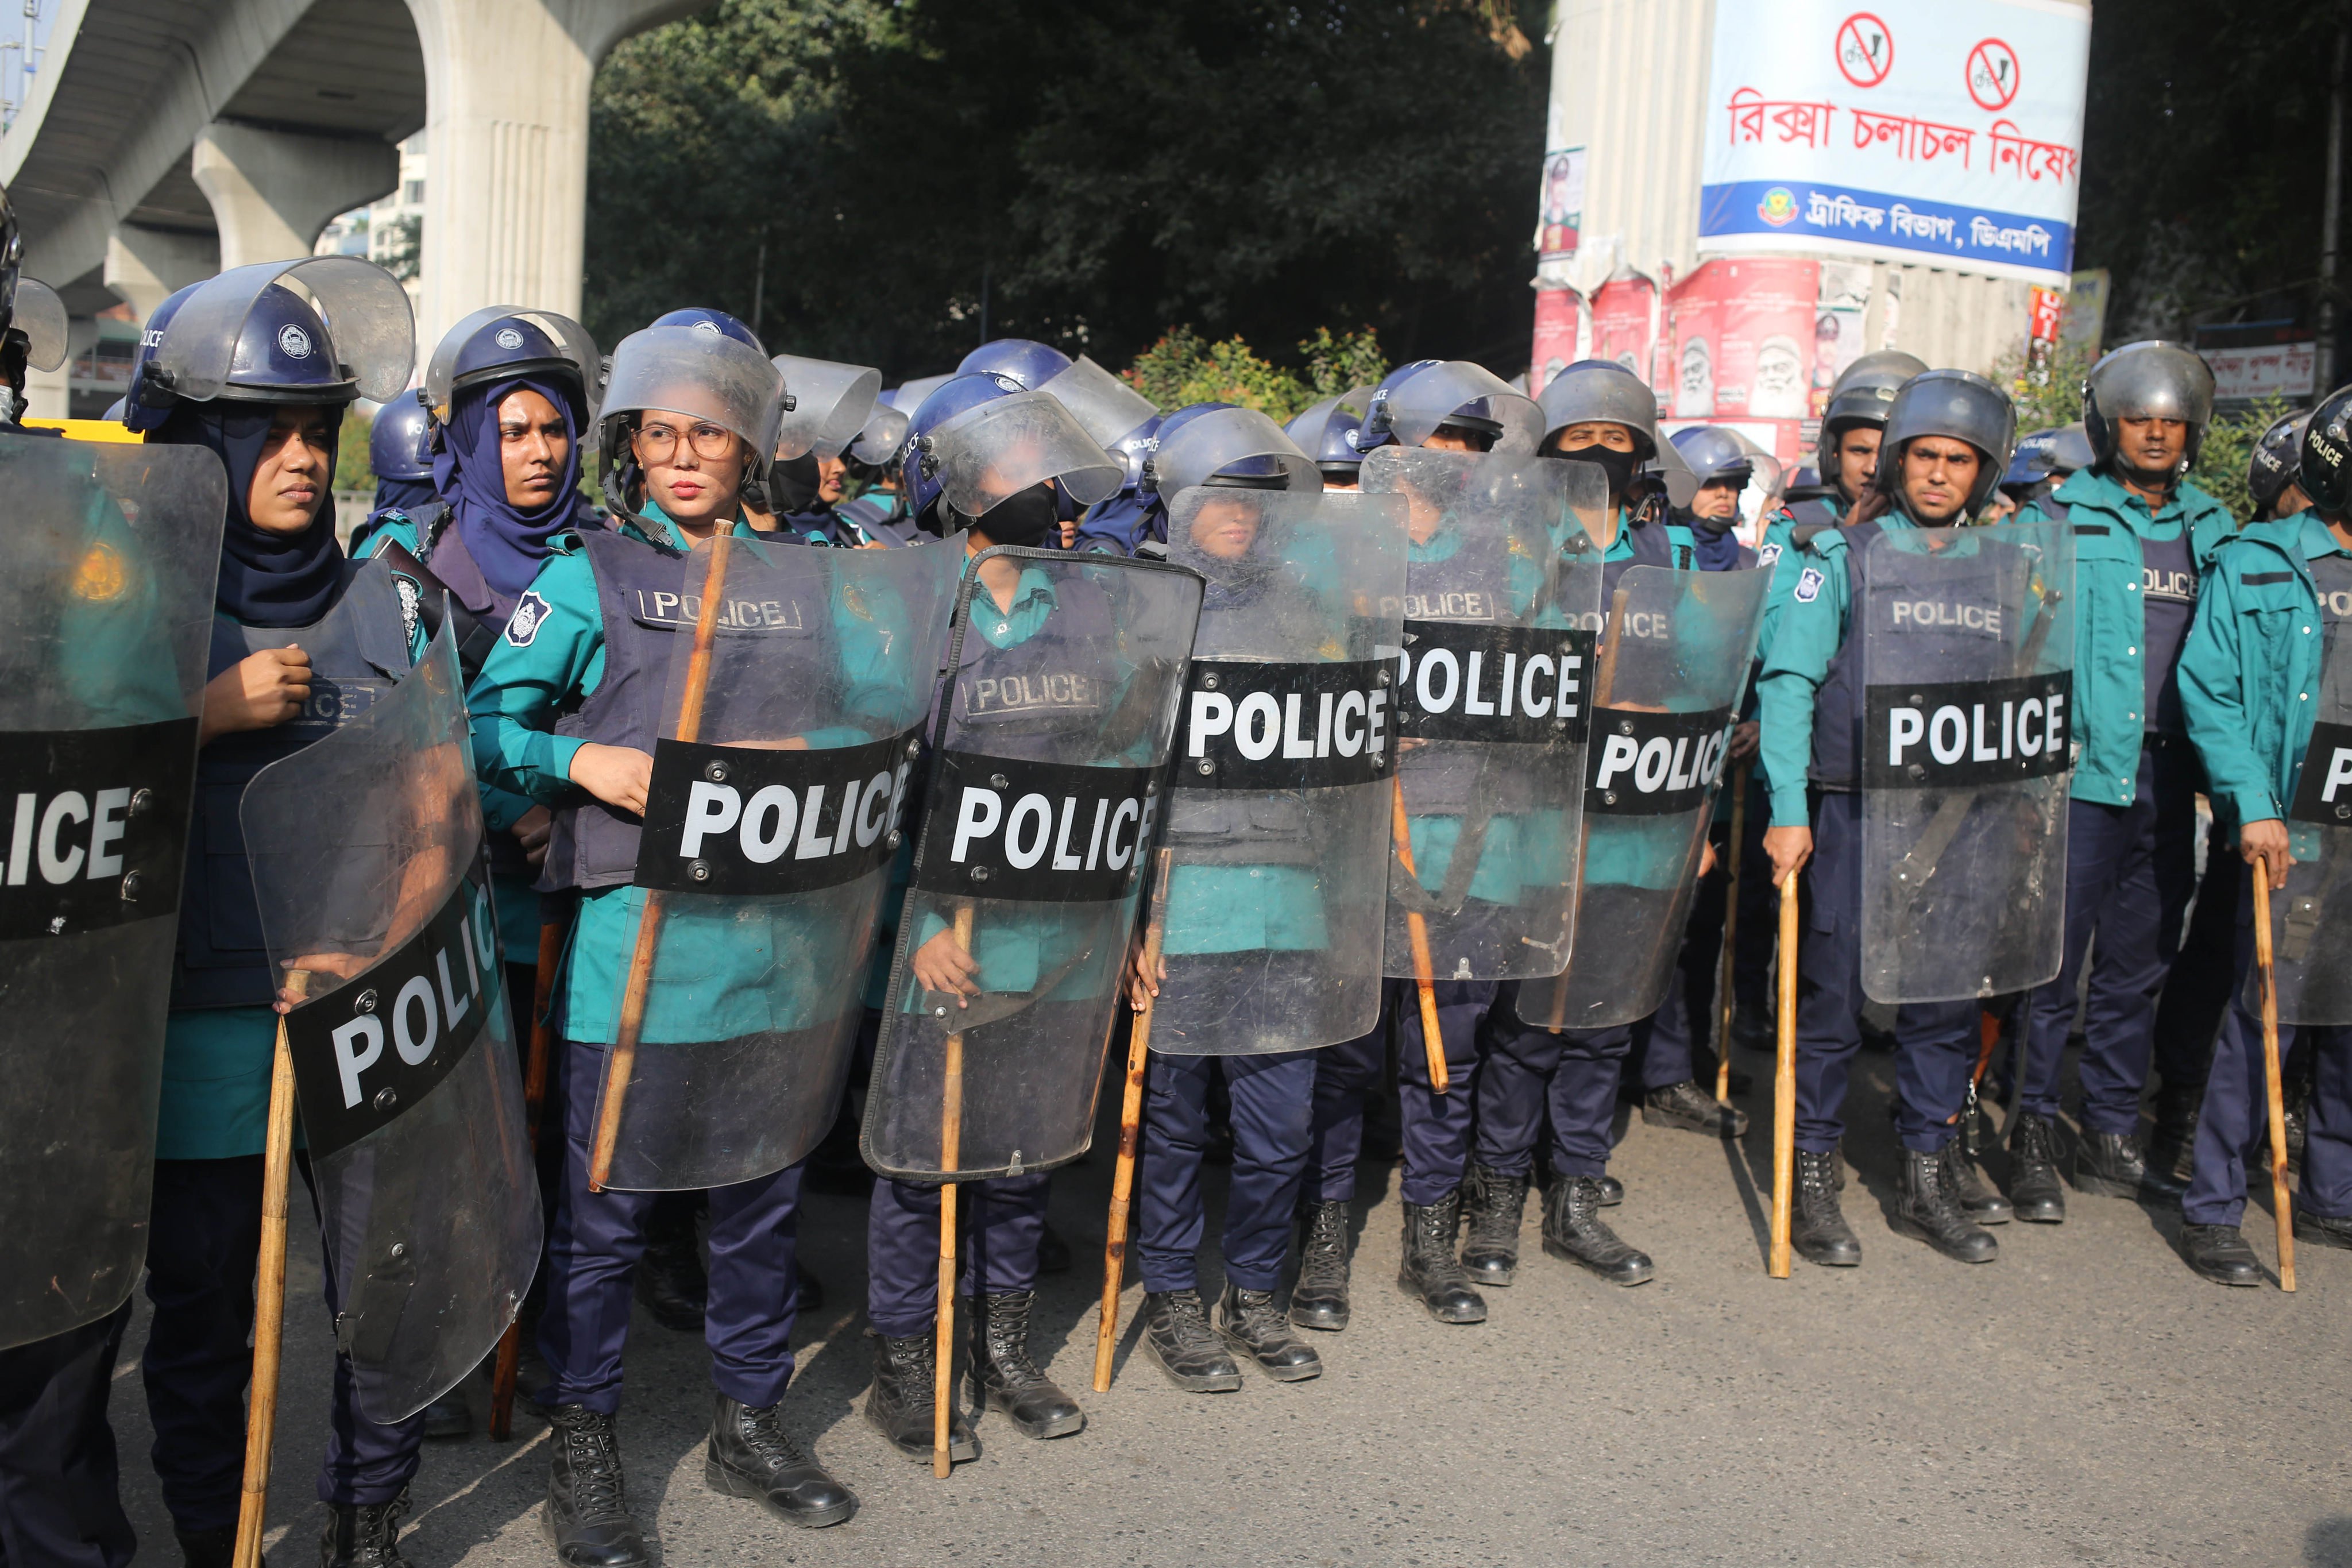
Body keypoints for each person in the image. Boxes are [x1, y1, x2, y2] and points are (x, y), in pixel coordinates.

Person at [468, 313, 858, 1564]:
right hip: (630, 964)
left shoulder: (804, 582)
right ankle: (582, 1444)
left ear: (751, 449)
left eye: (711, 434)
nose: (684, 457)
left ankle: (750, 1419)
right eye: (661, 433)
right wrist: (579, 761)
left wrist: (829, 753)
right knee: (608, 1228)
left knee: (757, 1207)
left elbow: (867, 720)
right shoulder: (587, 573)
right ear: (632, 444)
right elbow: (480, 728)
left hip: (771, 960)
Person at [122, 259, 449, 1567]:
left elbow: (440, 813)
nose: (304, 457)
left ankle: (366, 1517)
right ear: (203, 441)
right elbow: (59, 795)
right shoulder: (126, 604)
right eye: (270, 429)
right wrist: (201, 714)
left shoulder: (390, 597)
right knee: (205, 1314)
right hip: (199, 1032)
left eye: (319, 429)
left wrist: (372, 942)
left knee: (384, 1292)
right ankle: (221, 1538)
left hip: (361, 1026)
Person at [859, 371, 1127, 1462]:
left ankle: (1004, 1348)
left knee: (1019, 1156)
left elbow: (1117, 770)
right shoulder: (905, 609)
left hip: (1048, 931)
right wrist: (907, 921)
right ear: (966, 483)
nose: (1059, 497)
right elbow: (867, 790)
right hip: (934, 946)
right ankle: (906, 1362)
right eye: (1032, 473)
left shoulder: (1089, 611)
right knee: (923, 1167)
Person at [356, 306, 603, 1435]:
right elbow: (389, 742)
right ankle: (450, 1351)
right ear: (463, 438)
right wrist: (538, 788)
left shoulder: (610, 560)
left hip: (571, 912)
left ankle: (545, 1347)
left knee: (554, 1147)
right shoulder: (405, 565)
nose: (538, 452)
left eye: (554, 428)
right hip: (448, 915)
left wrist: (577, 802)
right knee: (457, 1154)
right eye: (512, 430)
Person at [1297, 359, 1559, 1329]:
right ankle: (1320, 1243)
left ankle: (1429, 1241)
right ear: (1392, 449)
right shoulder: (1334, 552)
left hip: (1475, 840)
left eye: (1474, 443)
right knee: (1345, 1056)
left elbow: (1547, 686)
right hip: (1360, 835)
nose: (1458, 458)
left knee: (1444, 1055)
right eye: (1442, 439)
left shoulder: (1513, 557)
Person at [1757, 368, 2029, 1266]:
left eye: (1959, 459)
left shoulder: (2009, 571)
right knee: (1831, 1008)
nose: (1939, 473)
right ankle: (1813, 1181)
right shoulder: (1842, 555)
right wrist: (1789, 812)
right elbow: (1791, 685)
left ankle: (1924, 1180)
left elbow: (2024, 700)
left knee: (1944, 1010)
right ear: (1898, 461)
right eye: (1924, 456)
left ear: (1981, 472)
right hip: (1852, 813)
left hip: (1960, 822)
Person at [1118, 421, 1360, 1391]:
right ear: (1175, 499)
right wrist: (1133, 919)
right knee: (1174, 1125)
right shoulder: (1145, 608)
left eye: (1250, 496)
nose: (1233, 513)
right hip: (1184, 904)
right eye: (1215, 492)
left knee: (1279, 1128)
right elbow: (1120, 776)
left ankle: (1256, 1289)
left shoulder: (1306, 607)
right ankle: (1173, 1292)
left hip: (1288, 903)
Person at [2008, 342, 2234, 1219]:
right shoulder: (2062, 516)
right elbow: (2022, 644)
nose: (2156, 433)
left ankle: (2106, 1128)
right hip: (2078, 772)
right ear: (2109, 424)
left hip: (2176, 777)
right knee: (2052, 961)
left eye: (2172, 421)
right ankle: (2030, 1127)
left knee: (2139, 963)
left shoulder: (2215, 530)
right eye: (2140, 418)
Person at [2175, 387, 2352, 1283]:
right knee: (2264, 1021)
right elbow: (2212, 690)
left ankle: (2332, 1191)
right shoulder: (2259, 562)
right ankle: (2212, 1205)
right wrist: (2255, 803)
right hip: (2294, 834)